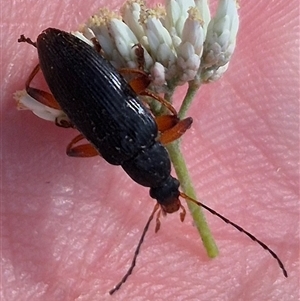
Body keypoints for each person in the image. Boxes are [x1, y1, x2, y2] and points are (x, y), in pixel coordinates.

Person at [2, 0, 299, 300]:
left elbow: (169, 113)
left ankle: (55, 54)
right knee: (112, 92)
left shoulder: (150, 129)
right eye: (170, 185)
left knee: (136, 83)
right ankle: (62, 59)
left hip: (78, 63)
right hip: (74, 66)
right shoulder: (113, 152)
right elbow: (155, 113)